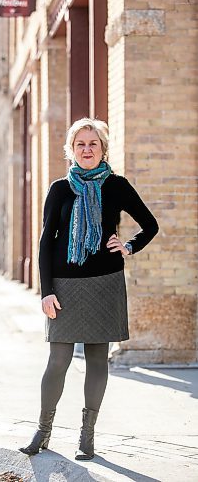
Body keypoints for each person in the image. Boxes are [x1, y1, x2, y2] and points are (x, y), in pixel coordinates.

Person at [19, 118, 159, 460]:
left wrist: (128, 246)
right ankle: (43, 431)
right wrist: (46, 291)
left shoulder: (117, 185)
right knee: (58, 360)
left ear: (102, 149)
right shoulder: (59, 189)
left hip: (104, 283)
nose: (86, 149)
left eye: (93, 144)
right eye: (80, 144)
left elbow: (150, 225)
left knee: (98, 360)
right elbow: (45, 243)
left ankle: (87, 436)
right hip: (64, 287)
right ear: (71, 150)